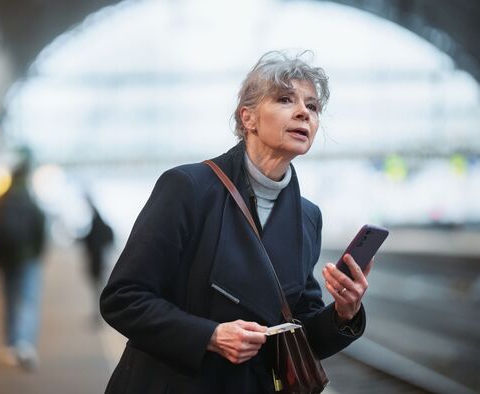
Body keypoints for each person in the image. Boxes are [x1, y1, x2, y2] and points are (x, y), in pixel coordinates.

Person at [100, 50, 372, 393]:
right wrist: (210, 336)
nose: (304, 112)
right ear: (248, 118)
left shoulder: (307, 216)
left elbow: (299, 333)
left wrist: (344, 313)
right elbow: (122, 299)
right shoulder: (189, 188)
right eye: (286, 99)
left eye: (313, 106)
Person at [0, 155, 46, 372]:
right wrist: (37, 254)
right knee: (27, 300)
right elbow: (40, 231)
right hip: (27, 259)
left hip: (5, 260)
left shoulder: (0, 201)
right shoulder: (31, 201)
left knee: (9, 299)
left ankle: (9, 345)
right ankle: (24, 344)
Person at [79, 197, 114, 324]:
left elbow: (88, 240)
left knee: (98, 290)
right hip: (99, 262)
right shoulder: (103, 227)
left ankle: (101, 315)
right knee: (99, 289)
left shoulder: (97, 226)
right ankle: (100, 314)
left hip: (97, 262)